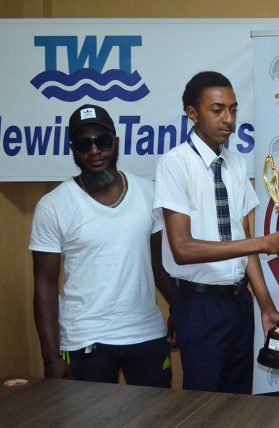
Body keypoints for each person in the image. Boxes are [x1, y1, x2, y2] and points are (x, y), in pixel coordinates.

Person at [153, 71, 279, 394]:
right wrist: (266, 243)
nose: (229, 119)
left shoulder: (235, 164)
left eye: (233, 110)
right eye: (218, 109)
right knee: (204, 408)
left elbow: (243, 239)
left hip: (239, 304)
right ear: (193, 113)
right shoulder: (175, 164)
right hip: (199, 304)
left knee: (238, 404)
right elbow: (182, 248)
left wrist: (264, 304)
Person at [30, 104, 174, 387]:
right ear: (73, 149)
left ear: (116, 143)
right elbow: (44, 284)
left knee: (158, 427)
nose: (95, 151)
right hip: (85, 338)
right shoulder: (53, 206)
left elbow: (158, 264)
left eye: (102, 141)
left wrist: (180, 309)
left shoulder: (148, 191)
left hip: (146, 335)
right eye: (84, 144)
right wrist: (50, 358)